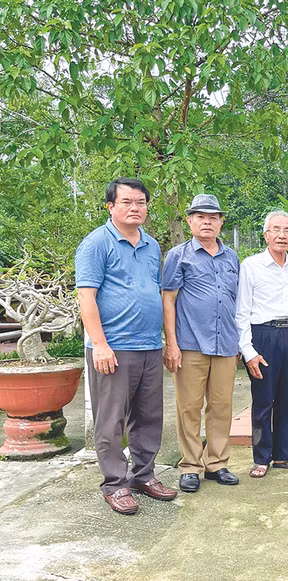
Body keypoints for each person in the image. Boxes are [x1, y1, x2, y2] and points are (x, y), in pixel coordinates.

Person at [75, 177, 177, 515]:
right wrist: (100, 345)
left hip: (148, 345)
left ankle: (143, 476)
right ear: (110, 206)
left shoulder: (151, 246)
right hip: (113, 349)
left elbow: (155, 295)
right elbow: (86, 298)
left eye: (141, 203)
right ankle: (115, 483)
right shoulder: (96, 244)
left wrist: (165, 342)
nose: (135, 208)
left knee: (148, 417)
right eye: (127, 202)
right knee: (111, 420)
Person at [162, 194, 241, 492]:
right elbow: (168, 300)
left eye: (213, 217)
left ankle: (217, 463)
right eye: (200, 216)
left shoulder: (232, 257)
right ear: (190, 220)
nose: (207, 221)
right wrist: (171, 343)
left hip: (225, 345)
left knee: (221, 406)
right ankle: (190, 465)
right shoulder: (178, 256)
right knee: (190, 407)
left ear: (221, 222)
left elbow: (236, 301)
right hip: (190, 344)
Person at [236, 210, 288, 478]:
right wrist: (248, 350)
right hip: (263, 336)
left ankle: (286, 455)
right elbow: (242, 312)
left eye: (287, 231)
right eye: (276, 230)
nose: (282, 235)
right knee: (263, 399)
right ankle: (262, 457)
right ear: (266, 234)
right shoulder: (251, 266)